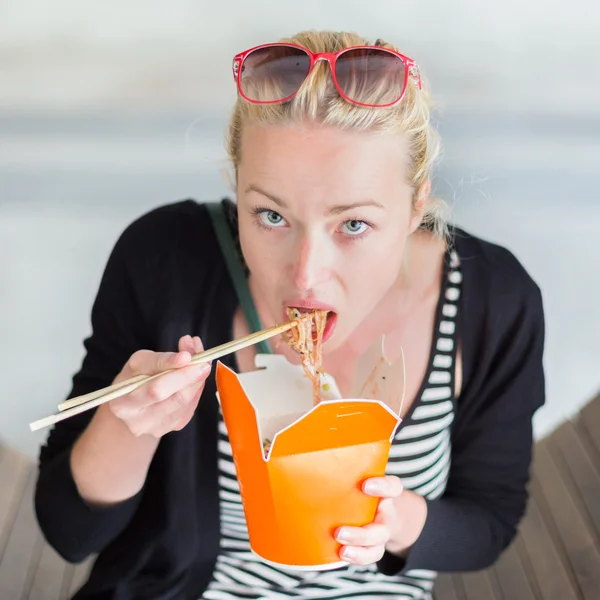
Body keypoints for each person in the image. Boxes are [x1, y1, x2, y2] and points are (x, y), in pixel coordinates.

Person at [34, 30, 546, 600]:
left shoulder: (493, 300)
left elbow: (490, 523)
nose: (306, 275)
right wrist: (126, 424)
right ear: (236, 187)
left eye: (353, 224)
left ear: (414, 206)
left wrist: (394, 520)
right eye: (271, 216)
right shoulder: (163, 259)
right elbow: (68, 534)